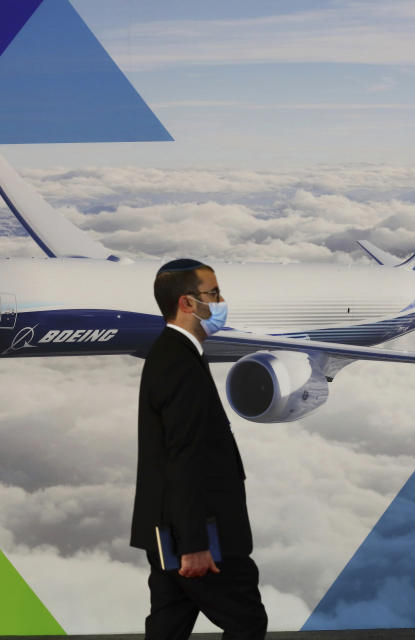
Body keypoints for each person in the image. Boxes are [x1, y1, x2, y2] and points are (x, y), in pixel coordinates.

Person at [130, 258, 268, 640]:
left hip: (169, 531)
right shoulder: (178, 362)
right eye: (214, 293)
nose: (221, 301)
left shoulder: (174, 353)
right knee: (246, 622)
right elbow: (184, 458)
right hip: (199, 539)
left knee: (168, 629)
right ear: (188, 303)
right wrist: (194, 545)